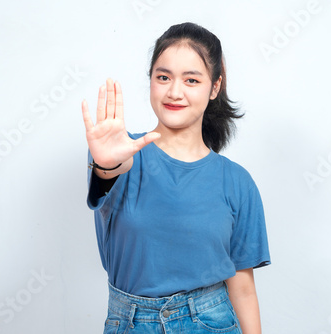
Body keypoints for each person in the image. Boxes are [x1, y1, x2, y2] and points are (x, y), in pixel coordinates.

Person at [81, 22, 271, 334]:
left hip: (210, 322)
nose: (174, 92)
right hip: (129, 323)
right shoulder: (119, 153)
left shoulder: (237, 182)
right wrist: (106, 167)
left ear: (214, 87)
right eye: (163, 77)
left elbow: (244, 288)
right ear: (151, 81)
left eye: (191, 80)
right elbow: (109, 172)